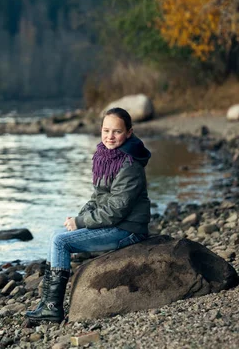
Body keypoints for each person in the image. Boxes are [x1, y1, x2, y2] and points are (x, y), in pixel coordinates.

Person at [25, 107, 152, 323]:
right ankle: (47, 303)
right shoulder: (106, 157)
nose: (110, 137)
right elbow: (98, 197)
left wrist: (82, 222)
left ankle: (52, 308)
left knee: (59, 242)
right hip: (116, 224)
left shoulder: (129, 165)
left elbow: (115, 211)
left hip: (128, 229)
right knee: (58, 233)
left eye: (117, 132)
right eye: (106, 130)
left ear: (129, 132)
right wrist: (78, 219)